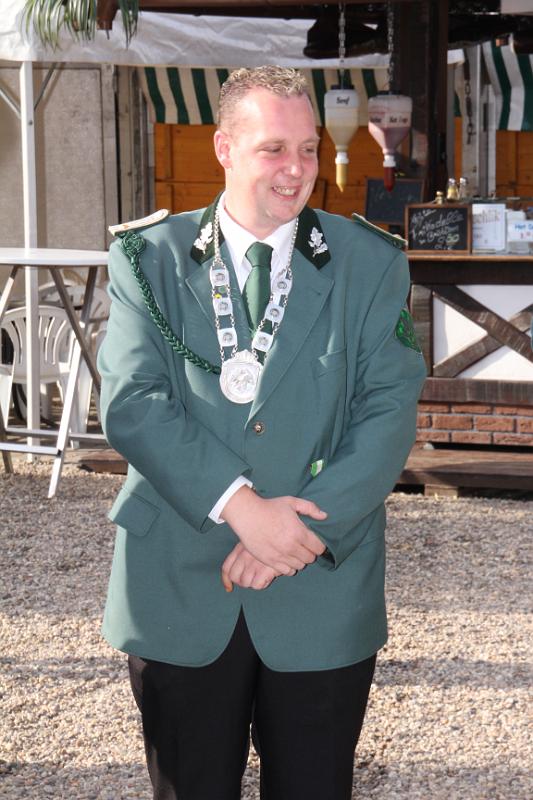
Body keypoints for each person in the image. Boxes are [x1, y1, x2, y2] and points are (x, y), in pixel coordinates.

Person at [98, 65, 426, 800]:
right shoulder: (147, 258)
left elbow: (388, 408)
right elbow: (132, 401)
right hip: (179, 581)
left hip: (319, 583)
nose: (297, 169)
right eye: (274, 148)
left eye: (308, 149)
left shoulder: (369, 262)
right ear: (224, 147)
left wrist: (299, 531)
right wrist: (243, 509)